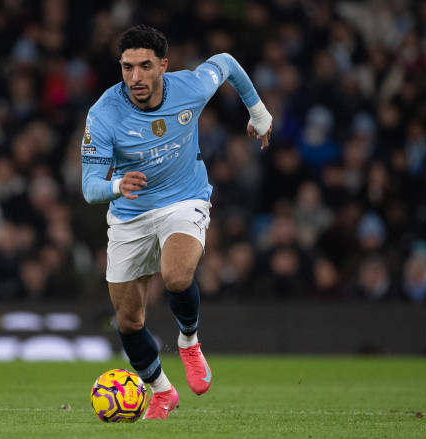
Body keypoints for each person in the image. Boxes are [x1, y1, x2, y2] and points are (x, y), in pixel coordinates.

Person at [81, 25, 272, 419]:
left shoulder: (190, 87)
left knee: (177, 277)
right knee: (128, 320)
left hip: (184, 200)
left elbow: (226, 63)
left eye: (145, 66)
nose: (135, 77)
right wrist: (116, 185)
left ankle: (189, 340)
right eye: (127, 67)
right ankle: (162, 392)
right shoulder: (103, 114)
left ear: (163, 66)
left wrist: (259, 112)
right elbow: (89, 188)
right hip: (130, 214)